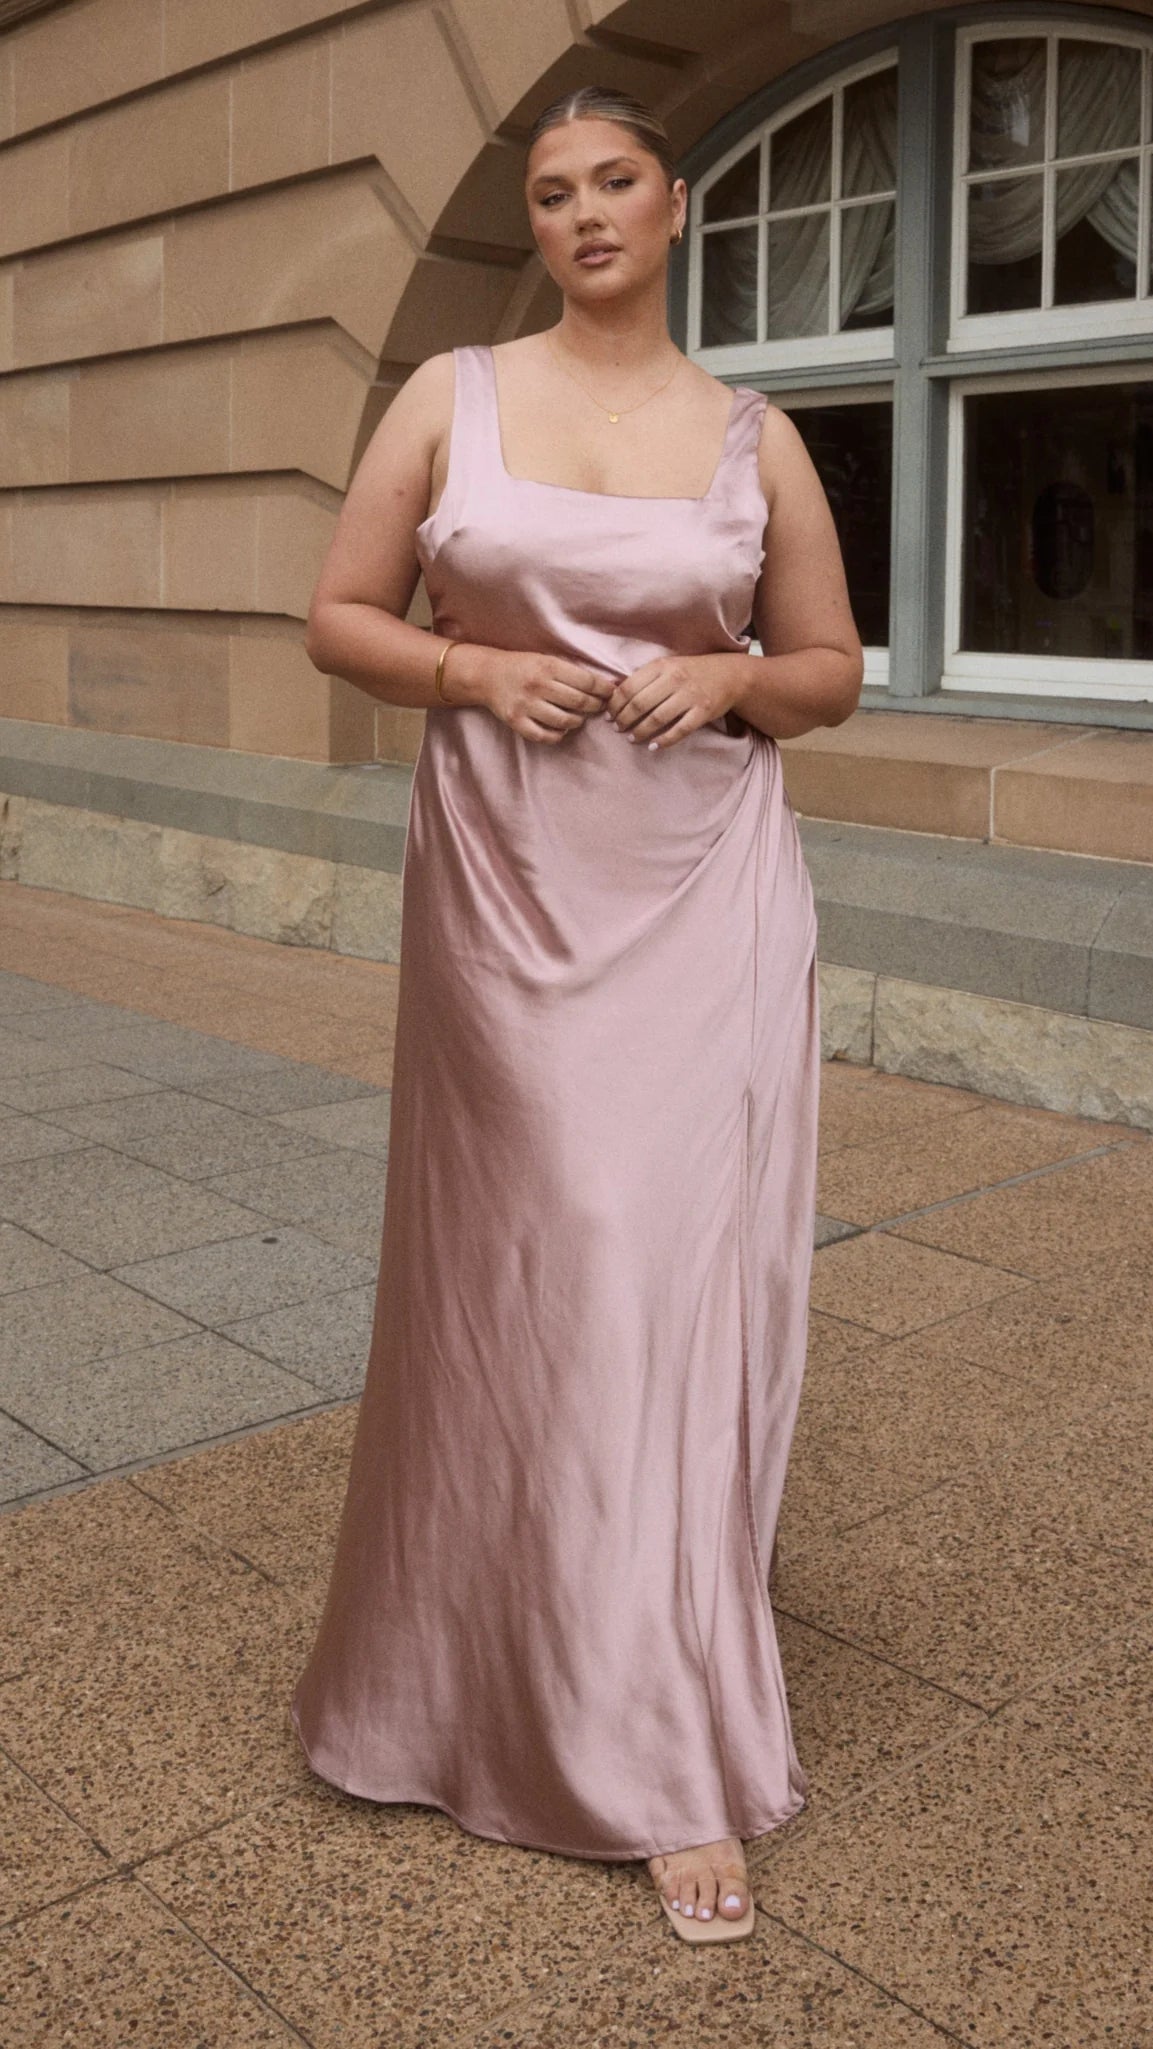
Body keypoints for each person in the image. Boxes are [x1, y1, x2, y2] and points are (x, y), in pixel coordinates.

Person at [290, 83, 863, 1945]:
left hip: (701, 893)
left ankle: (654, 1733)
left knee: (658, 1269)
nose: (584, 211)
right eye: (551, 193)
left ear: (674, 206)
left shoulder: (756, 435)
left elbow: (830, 669)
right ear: (533, 226)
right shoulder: (448, 395)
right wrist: (470, 666)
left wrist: (731, 683)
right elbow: (337, 617)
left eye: (615, 180)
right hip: (509, 891)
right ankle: (465, 1670)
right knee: (540, 1257)